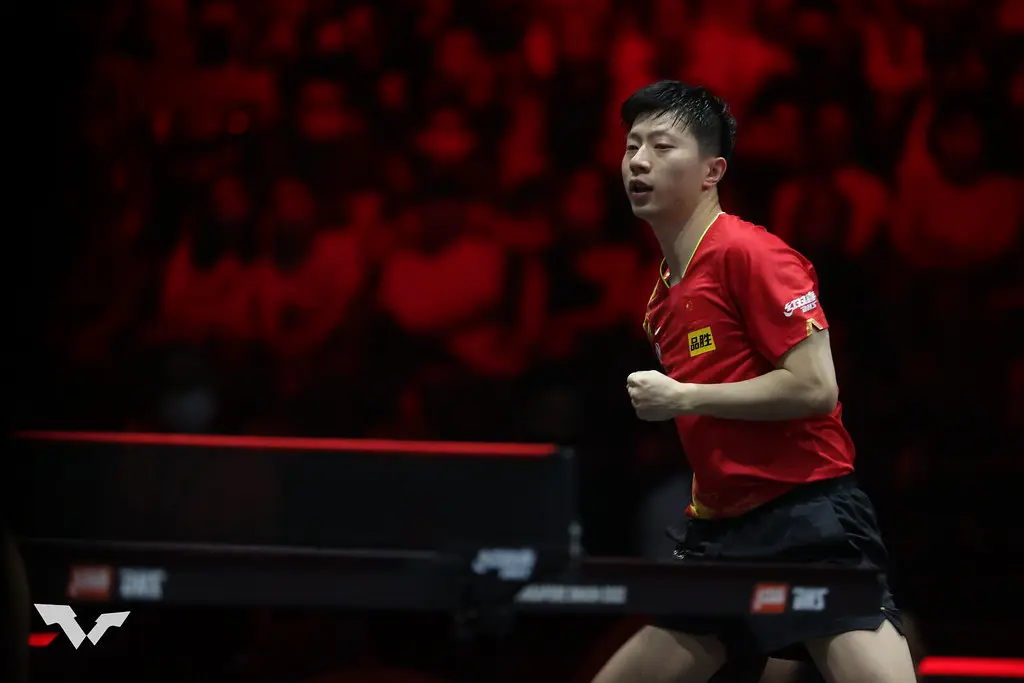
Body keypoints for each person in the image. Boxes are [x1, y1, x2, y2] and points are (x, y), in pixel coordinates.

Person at [592, 81, 916, 683]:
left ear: (712, 171)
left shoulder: (751, 254)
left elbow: (815, 388)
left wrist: (682, 397)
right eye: (632, 146)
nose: (638, 161)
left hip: (805, 516)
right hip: (719, 532)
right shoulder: (661, 296)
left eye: (662, 146)